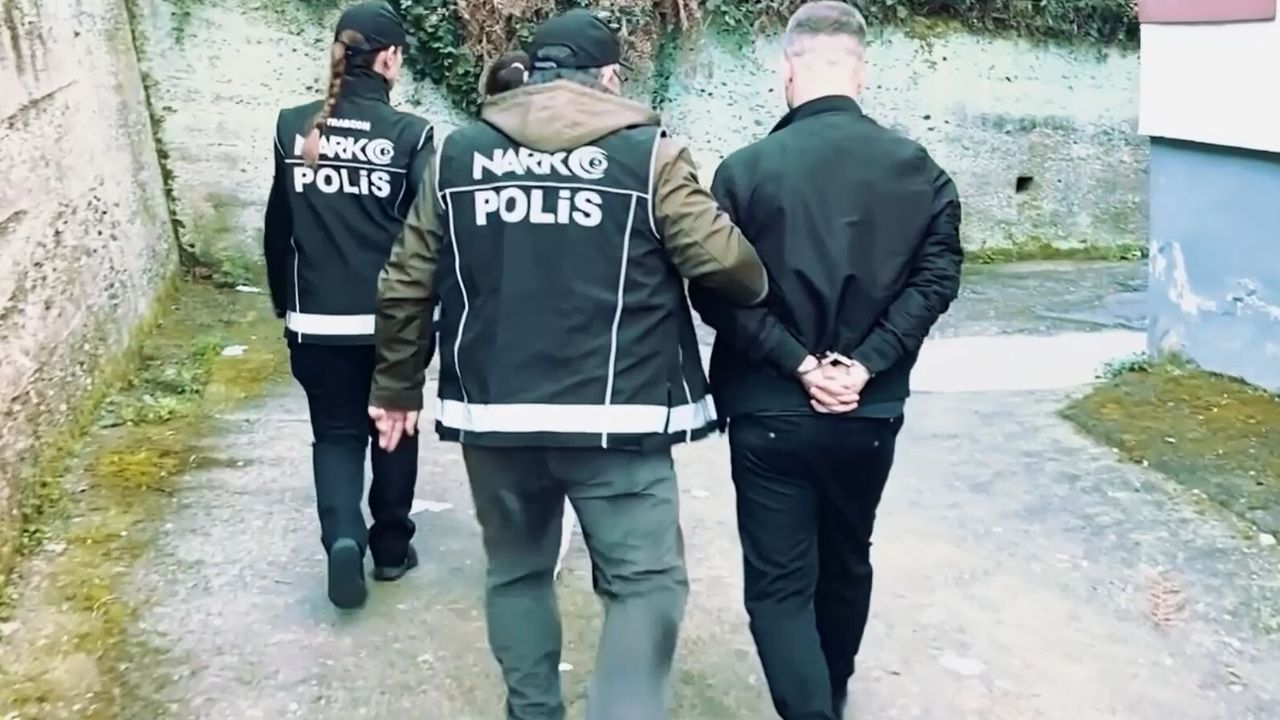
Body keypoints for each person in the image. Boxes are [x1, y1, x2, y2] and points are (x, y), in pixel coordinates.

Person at [368, 8, 769, 718]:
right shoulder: (650, 155)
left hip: (495, 415)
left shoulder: (458, 154)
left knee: (517, 573)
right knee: (644, 584)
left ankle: (533, 711)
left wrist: (397, 388)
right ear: (609, 78)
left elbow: (405, 281)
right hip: (619, 417)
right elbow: (729, 268)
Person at [689, 2, 963, 718]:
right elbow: (936, 280)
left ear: (787, 69)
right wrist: (865, 365)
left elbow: (713, 289)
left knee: (779, 586)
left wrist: (799, 364)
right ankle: (830, 696)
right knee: (846, 559)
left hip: (768, 409)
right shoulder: (921, 171)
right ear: (860, 73)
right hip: (868, 410)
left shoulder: (745, 171)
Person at [262, 0, 432, 611]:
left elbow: (277, 227)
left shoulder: (292, 127)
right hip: (393, 322)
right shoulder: (411, 135)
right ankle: (390, 549)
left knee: (335, 435)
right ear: (389, 59)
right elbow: (427, 236)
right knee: (394, 428)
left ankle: (342, 537)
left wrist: (286, 304)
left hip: (316, 320)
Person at [478, 50, 576, 580]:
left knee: (512, 448)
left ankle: (521, 541)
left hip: (498, 328)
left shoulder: (474, 158)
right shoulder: (578, 154)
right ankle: (550, 544)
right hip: (565, 321)